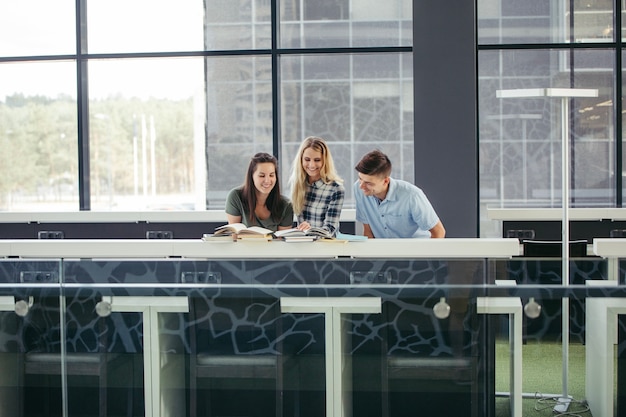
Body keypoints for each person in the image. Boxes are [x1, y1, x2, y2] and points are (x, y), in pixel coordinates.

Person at [353, 149, 445, 238]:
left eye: (369, 183)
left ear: (385, 181)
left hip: (415, 251)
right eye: (360, 179)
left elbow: (439, 232)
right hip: (383, 251)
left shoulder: (411, 195)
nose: (362, 186)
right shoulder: (359, 189)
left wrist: (424, 253)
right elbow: (368, 231)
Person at [289, 136, 345, 236]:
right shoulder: (298, 185)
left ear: (324, 161)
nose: (312, 165)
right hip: (305, 246)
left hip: (328, 247)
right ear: (301, 160)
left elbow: (330, 230)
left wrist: (310, 229)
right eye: (307, 159)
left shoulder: (336, 189)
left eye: (317, 160)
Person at [225, 152, 294, 231]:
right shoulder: (235, 197)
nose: (267, 180)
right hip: (244, 243)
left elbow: (282, 240)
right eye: (262, 176)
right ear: (252, 176)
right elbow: (234, 236)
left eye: (271, 175)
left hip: (272, 243)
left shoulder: (286, 205)